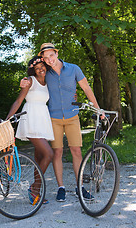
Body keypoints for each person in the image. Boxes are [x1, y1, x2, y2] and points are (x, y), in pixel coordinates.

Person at [21, 43, 103, 202]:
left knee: (76, 151)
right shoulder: (46, 74)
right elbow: (32, 78)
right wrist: (23, 81)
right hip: (53, 118)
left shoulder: (74, 69)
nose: (49, 60)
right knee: (57, 153)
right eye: (45, 58)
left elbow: (86, 88)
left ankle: (80, 187)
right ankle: (61, 187)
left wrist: (98, 109)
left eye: (51, 55)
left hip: (72, 117)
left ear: (56, 53)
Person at [6, 56, 54, 204]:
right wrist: (7, 119)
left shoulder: (47, 83)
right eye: (37, 67)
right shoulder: (30, 81)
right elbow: (18, 101)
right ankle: (34, 188)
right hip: (31, 120)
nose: (40, 69)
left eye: (42, 66)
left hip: (43, 120)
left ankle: (36, 192)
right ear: (33, 70)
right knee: (49, 154)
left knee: (40, 157)